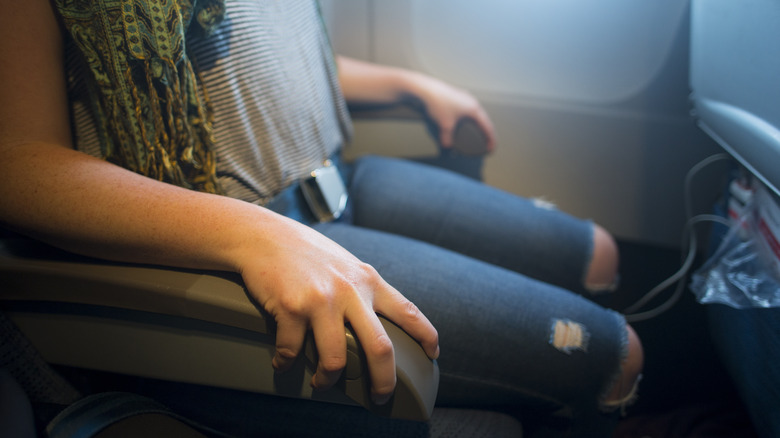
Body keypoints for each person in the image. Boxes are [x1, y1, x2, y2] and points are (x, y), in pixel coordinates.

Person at [0, 0, 642, 435]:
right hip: (235, 235)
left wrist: (404, 84)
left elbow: (262, 61)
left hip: (333, 182)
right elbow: (17, 162)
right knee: (616, 357)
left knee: (599, 254)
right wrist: (252, 233)